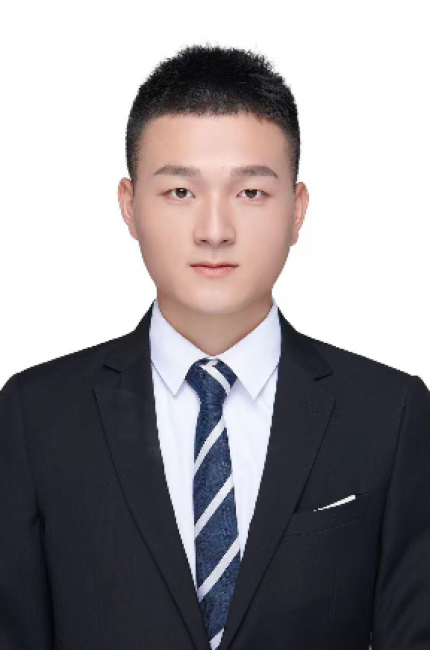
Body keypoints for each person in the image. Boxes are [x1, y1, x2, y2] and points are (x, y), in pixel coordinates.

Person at [0, 44, 429, 650]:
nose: (215, 230)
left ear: (297, 211)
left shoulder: (390, 414)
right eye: (180, 192)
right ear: (129, 206)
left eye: (250, 193)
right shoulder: (36, 414)